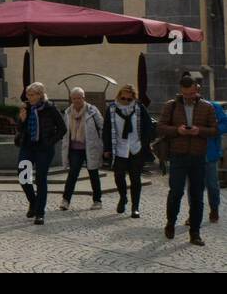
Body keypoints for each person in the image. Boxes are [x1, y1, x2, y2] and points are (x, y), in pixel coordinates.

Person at [157, 72, 219, 245]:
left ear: (196, 89)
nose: (189, 97)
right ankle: (170, 223)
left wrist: (199, 131)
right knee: (175, 192)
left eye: (191, 94)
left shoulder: (207, 107)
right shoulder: (171, 105)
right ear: (180, 91)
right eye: (185, 94)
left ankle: (195, 232)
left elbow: (214, 130)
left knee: (197, 195)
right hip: (178, 156)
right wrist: (178, 130)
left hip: (198, 157)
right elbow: (161, 127)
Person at [16, 82, 65, 225]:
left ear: (40, 95)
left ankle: (40, 213)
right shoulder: (26, 108)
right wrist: (21, 119)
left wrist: (50, 142)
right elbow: (20, 128)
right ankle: (33, 201)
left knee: (40, 178)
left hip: (44, 148)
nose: (29, 98)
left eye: (32, 95)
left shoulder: (50, 108)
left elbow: (62, 129)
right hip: (28, 146)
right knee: (23, 175)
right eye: (28, 95)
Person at [103, 83, 155, 218]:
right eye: (123, 98)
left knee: (135, 179)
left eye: (129, 99)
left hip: (135, 148)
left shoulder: (139, 108)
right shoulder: (112, 109)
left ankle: (135, 207)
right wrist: (107, 148)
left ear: (133, 98)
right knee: (119, 176)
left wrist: (145, 143)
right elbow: (107, 129)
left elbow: (149, 127)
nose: (126, 101)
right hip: (119, 148)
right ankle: (123, 197)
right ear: (119, 96)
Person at [59, 87, 104, 211]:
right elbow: (65, 132)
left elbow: (102, 127)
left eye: (79, 98)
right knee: (73, 174)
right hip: (74, 149)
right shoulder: (68, 112)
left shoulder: (92, 111)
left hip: (90, 147)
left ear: (84, 98)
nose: (77, 100)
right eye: (74, 98)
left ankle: (97, 200)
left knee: (93, 173)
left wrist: (102, 145)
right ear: (71, 99)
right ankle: (66, 200)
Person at [204, 99, 226, 224]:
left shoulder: (213, 107)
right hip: (191, 153)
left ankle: (214, 209)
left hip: (210, 152)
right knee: (193, 186)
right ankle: (193, 213)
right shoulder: (182, 107)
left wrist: (214, 130)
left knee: (212, 184)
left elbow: (225, 124)